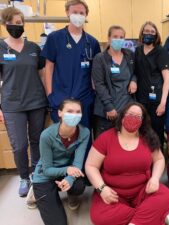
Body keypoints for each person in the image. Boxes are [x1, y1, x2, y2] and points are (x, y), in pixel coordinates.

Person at [85, 102, 169, 225]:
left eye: (138, 116)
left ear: (142, 121)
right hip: (112, 193)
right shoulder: (106, 138)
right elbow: (91, 166)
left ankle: (139, 220)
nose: (133, 118)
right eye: (130, 114)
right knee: (99, 217)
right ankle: (152, 217)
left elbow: (159, 159)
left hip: (143, 190)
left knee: (165, 195)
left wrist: (155, 178)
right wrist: (102, 188)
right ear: (122, 116)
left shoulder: (148, 138)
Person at [0, 7, 47, 197]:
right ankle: (23, 177)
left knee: (37, 141)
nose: (16, 26)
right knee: (19, 145)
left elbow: (43, 75)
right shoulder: (1, 48)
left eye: (20, 23)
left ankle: (36, 173)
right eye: (12, 22)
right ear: (4, 24)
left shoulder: (34, 48)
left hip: (36, 102)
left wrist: (48, 98)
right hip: (12, 105)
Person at [41, 0, 100, 129]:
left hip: (84, 98)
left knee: (83, 138)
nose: (78, 15)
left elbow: (95, 72)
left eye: (81, 13)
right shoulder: (55, 38)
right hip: (60, 98)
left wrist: (94, 93)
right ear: (67, 13)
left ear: (86, 15)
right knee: (63, 140)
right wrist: (50, 95)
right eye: (74, 12)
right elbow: (48, 68)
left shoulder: (92, 42)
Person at [32, 99, 90, 225]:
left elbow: (78, 163)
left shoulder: (85, 133)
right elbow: (47, 170)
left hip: (65, 172)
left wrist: (69, 179)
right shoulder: (46, 135)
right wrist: (67, 170)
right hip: (45, 175)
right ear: (59, 113)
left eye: (77, 112)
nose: (74, 115)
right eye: (69, 111)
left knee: (79, 184)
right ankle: (36, 192)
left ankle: (70, 193)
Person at [92, 25, 136, 138]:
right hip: (107, 111)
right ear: (108, 38)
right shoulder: (100, 58)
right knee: (104, 146)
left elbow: (136, 72)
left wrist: (134, 81)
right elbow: (99, 84)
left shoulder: (129, 55)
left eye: (121, 37)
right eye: (115, 36)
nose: (118, 39)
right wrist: (109, 106)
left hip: (126, 109)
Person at [135, 21, 169, 148]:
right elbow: (135, 72)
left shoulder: (161, 51)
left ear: (156, 35)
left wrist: (163, 103)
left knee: (156, 131)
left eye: (152, 32)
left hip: (157, 99)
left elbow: (167, 78)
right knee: (141, 129)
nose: (149, 34)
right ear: (142, 33)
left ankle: (158, 160)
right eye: (146, 31)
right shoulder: (137, 51)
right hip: (140, 98)